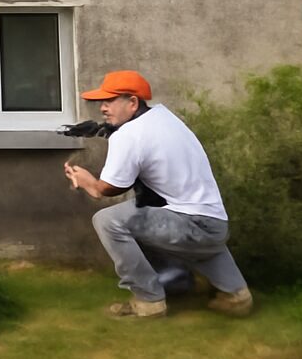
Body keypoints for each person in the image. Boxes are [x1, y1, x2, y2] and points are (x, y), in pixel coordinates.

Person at [63, 70, 253, 318]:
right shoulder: (165, 118)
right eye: (102, 101)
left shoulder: (129, 135)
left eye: (110, 100)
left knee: (108, 221)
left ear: (132, 102)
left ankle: (149, 301)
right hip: (215, 225)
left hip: (193, 226)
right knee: (154, 213)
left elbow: (109, 188)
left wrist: (88, 182)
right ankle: (237, 295)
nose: (103, 108)